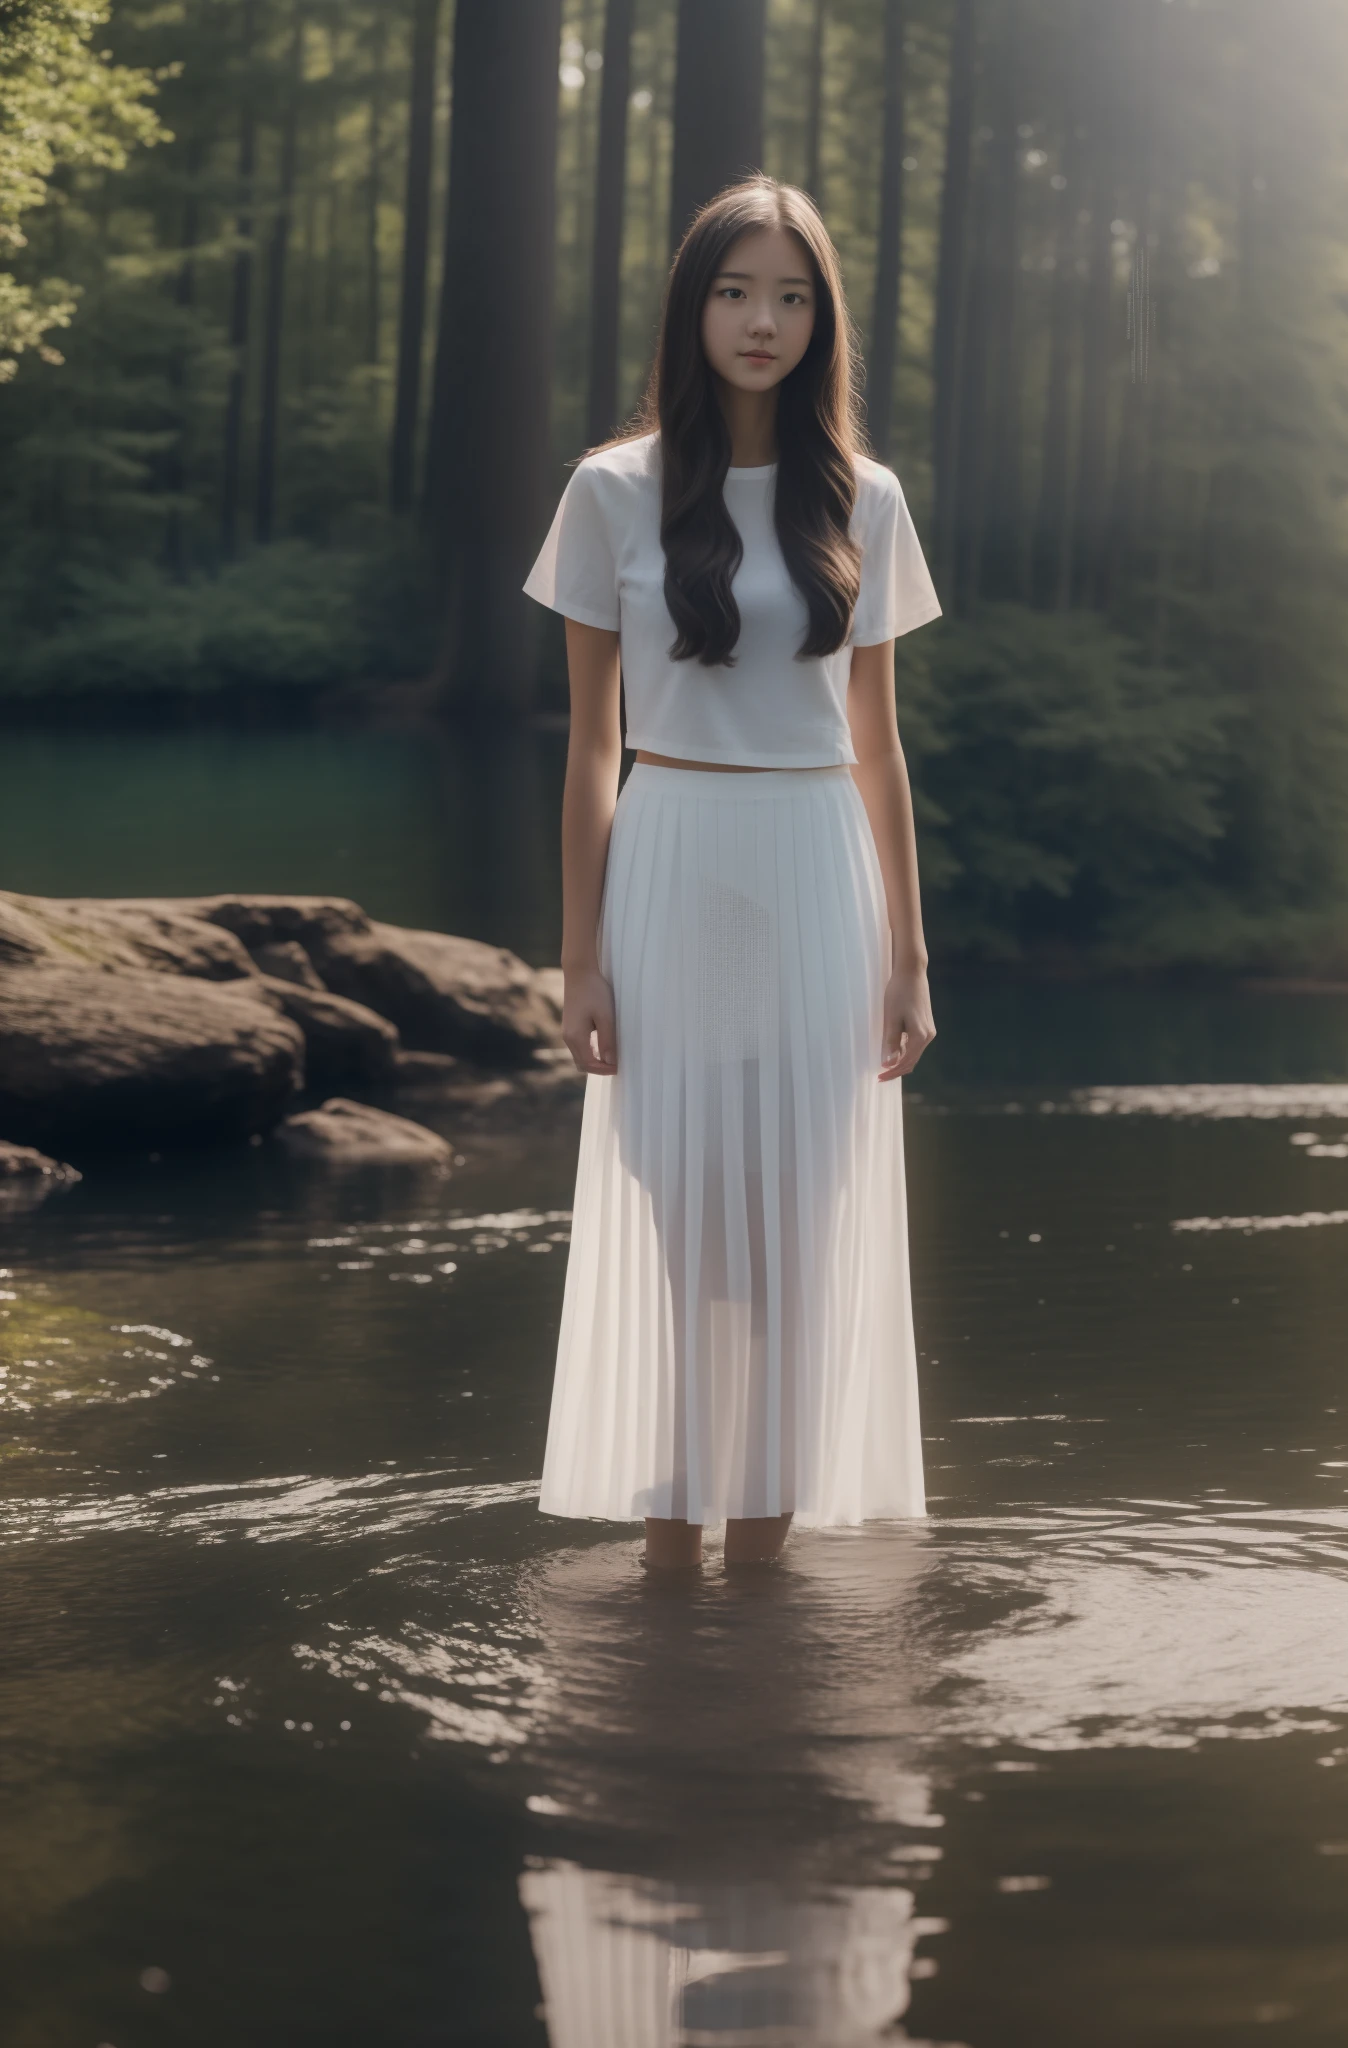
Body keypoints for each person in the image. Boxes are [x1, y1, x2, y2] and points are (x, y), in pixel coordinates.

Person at [522, 174, 942, 1573]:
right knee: (688, 1220)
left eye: (792, 295)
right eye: (735, 290)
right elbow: (592, 747)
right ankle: (664, 1547)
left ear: (823, 320)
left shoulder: (865, 501)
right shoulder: (611, 490)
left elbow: (880, 749)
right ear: (691, 305)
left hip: (819, 865)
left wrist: (910, 959)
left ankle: (757, 1561)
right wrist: (579, 956)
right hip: (678, 856)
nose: (763, 320)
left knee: (798, 1236)